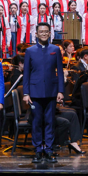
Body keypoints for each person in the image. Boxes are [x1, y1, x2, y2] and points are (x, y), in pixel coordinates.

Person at [22, 22, 64, 164]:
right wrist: (26, 93)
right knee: (37, 122)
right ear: (36, 34)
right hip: (35, 92)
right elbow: (26, 74)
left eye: (46, 31)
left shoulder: (55, 49)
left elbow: (60, 72)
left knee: (50, 122)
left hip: (52, 91)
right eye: (41, 31)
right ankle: (38, 150)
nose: (44, 34)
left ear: (50, 33)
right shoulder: (30, 51)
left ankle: (49, 150)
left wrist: (60, 91)